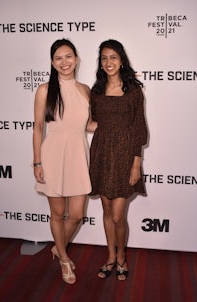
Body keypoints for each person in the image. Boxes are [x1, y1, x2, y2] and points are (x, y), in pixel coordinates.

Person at [33, 38, 94, 284]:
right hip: (52, 156)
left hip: (78, 155)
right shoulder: (45, 90)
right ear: (52, 62)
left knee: (76, 214)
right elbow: (38, 128)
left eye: (68, 56)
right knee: (58, 213)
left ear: (76, 59)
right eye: (58, 58)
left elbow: (87, 124)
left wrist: (114, 126)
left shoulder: (85, 89)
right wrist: (37, 163)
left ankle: (59, 247)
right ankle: (65, 260)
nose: (64, 62)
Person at [89, 39, 148, 281]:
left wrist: (136, 162)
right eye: (104, 58)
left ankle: (121, 256)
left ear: (121, 60)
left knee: (117, 215)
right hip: (101, 152)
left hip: (125, 155)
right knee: (105, 210)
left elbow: (139, 128)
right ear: (100, 63)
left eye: (113, 57)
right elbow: (91, 122)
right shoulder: (96, 91)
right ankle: (110, 257)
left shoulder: (133, 90)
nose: (108, 62)